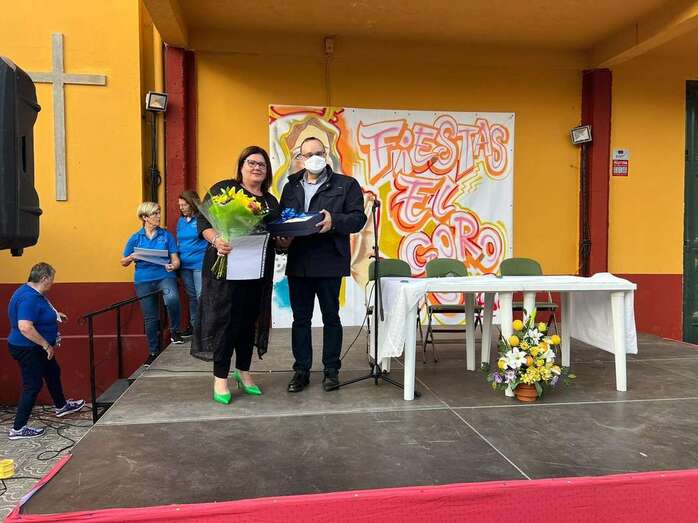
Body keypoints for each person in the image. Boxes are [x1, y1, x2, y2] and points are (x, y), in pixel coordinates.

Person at [277, 136, 367, 392]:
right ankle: (301, 371)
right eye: (308, 154)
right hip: (299, 262)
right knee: (300, 320)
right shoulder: (291, 186)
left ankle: (331, 370)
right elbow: (284, 219)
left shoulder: (346, 185)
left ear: (326, 155)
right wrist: (282, 239)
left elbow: (358, 219)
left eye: (319, 153)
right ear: (300, 158)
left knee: (331, 317)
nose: (314, 158)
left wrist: (334, 221)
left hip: (330, 261)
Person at [198, 146, 280, 404]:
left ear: (267, 171)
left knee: (248, 323)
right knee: (226, 323)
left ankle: (243, 371)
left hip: (258, 272)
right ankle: (220, 377)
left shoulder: (270, 202)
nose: (257, 167)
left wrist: (286, 239)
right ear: (241, 166)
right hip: (226, 270)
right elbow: (204, 223)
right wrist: (216, 239)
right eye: (251, 163)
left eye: (262, 164)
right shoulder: (225, 190)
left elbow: (276, 237)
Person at [7, 263, 85, 440]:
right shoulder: (29, 298)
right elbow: (25, 327)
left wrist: (55, 315)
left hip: (35, 347)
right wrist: (46, 345)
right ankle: (18, 428)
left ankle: (61, 406)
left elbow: (40, 311)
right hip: (28, 348)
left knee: (52, 372)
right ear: (44, 279)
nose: (53, 283)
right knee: (33, 385)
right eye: (52, 279)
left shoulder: (30, 291)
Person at [121, 202, 183, 366]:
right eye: (155, 214)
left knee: (173, 299)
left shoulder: (166, 236)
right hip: (143, 279)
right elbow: (123, 261)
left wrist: (173, 266)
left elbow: (176, 260)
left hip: (164, 275)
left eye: (158, 213)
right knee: (150, 317)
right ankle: (153, 352)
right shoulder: (135, 237)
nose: (158, 216)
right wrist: (131, 257)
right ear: (145, 217)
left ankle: (175, 331)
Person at [176, 190, 207, 336]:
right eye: (179, 205)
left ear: (192, 204)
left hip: (199, 263)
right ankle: (195, 326)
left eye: (184, 204)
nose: (181, 208)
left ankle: (204, 327)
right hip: (184, 266)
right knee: (192, 296)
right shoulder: (181, 221)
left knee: (201, 296)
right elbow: (179, 241)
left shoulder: (201, 218)